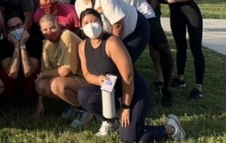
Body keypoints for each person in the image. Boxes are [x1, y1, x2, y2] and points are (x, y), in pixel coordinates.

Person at [77, 9, 187, 141]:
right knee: (84, 94)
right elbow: (87, 74)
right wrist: (99, 80)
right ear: (81, 27)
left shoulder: (112, 42)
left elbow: (128, 76)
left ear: (101, 22)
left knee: (130, 139)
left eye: (94, 21)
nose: (91, 25)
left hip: (133, 92)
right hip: (111, 93)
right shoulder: (82, 46)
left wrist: (126, 107)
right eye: (86, 23)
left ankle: (170, 128)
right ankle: (112, 123)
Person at [86, 0, 175, 107]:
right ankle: (126, 95)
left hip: (142, 16)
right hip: (121, 26)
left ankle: (166, 88)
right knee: (123, 61)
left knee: (164, 50)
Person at [148, 0, 205, 100]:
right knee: (180, 47)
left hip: (189, 11)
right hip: (176, 13)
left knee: (195, 48)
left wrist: (171, 0)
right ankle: (180, 79)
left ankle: (198, 87)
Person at [71, 0, 149, 64]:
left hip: (134, 29)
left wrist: (112, 48)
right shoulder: (78, 3)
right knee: (107, 64)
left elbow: (118, 25)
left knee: (122, 64)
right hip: (109, 33)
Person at [34, 14, 89, 128]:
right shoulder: (46, 44)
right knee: (41, 85)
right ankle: (73, 103)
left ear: (58, 26)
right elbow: (43, 75)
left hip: (86, 78)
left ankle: (85, 109)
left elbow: (65, 71)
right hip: (70, 80)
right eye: (45, 29)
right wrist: (40, 103)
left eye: (52, 28)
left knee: (56, 84)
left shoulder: (66, 35)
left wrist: (43, 74)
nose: (49, 32)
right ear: (41, 31)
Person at [0, 13, 42, 102]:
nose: (16, 30)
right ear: (8, 31)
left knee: (37, 70)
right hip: (13, 80)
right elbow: (12, 73)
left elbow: (28, 72)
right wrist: (17, 46)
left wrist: (23, 45)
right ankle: (8, 100)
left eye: (18, 26)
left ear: (24, 25)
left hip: (27, 78)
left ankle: (30, 98)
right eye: (12, 28)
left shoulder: (36, 43)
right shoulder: (2, 45)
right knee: (2, 72)